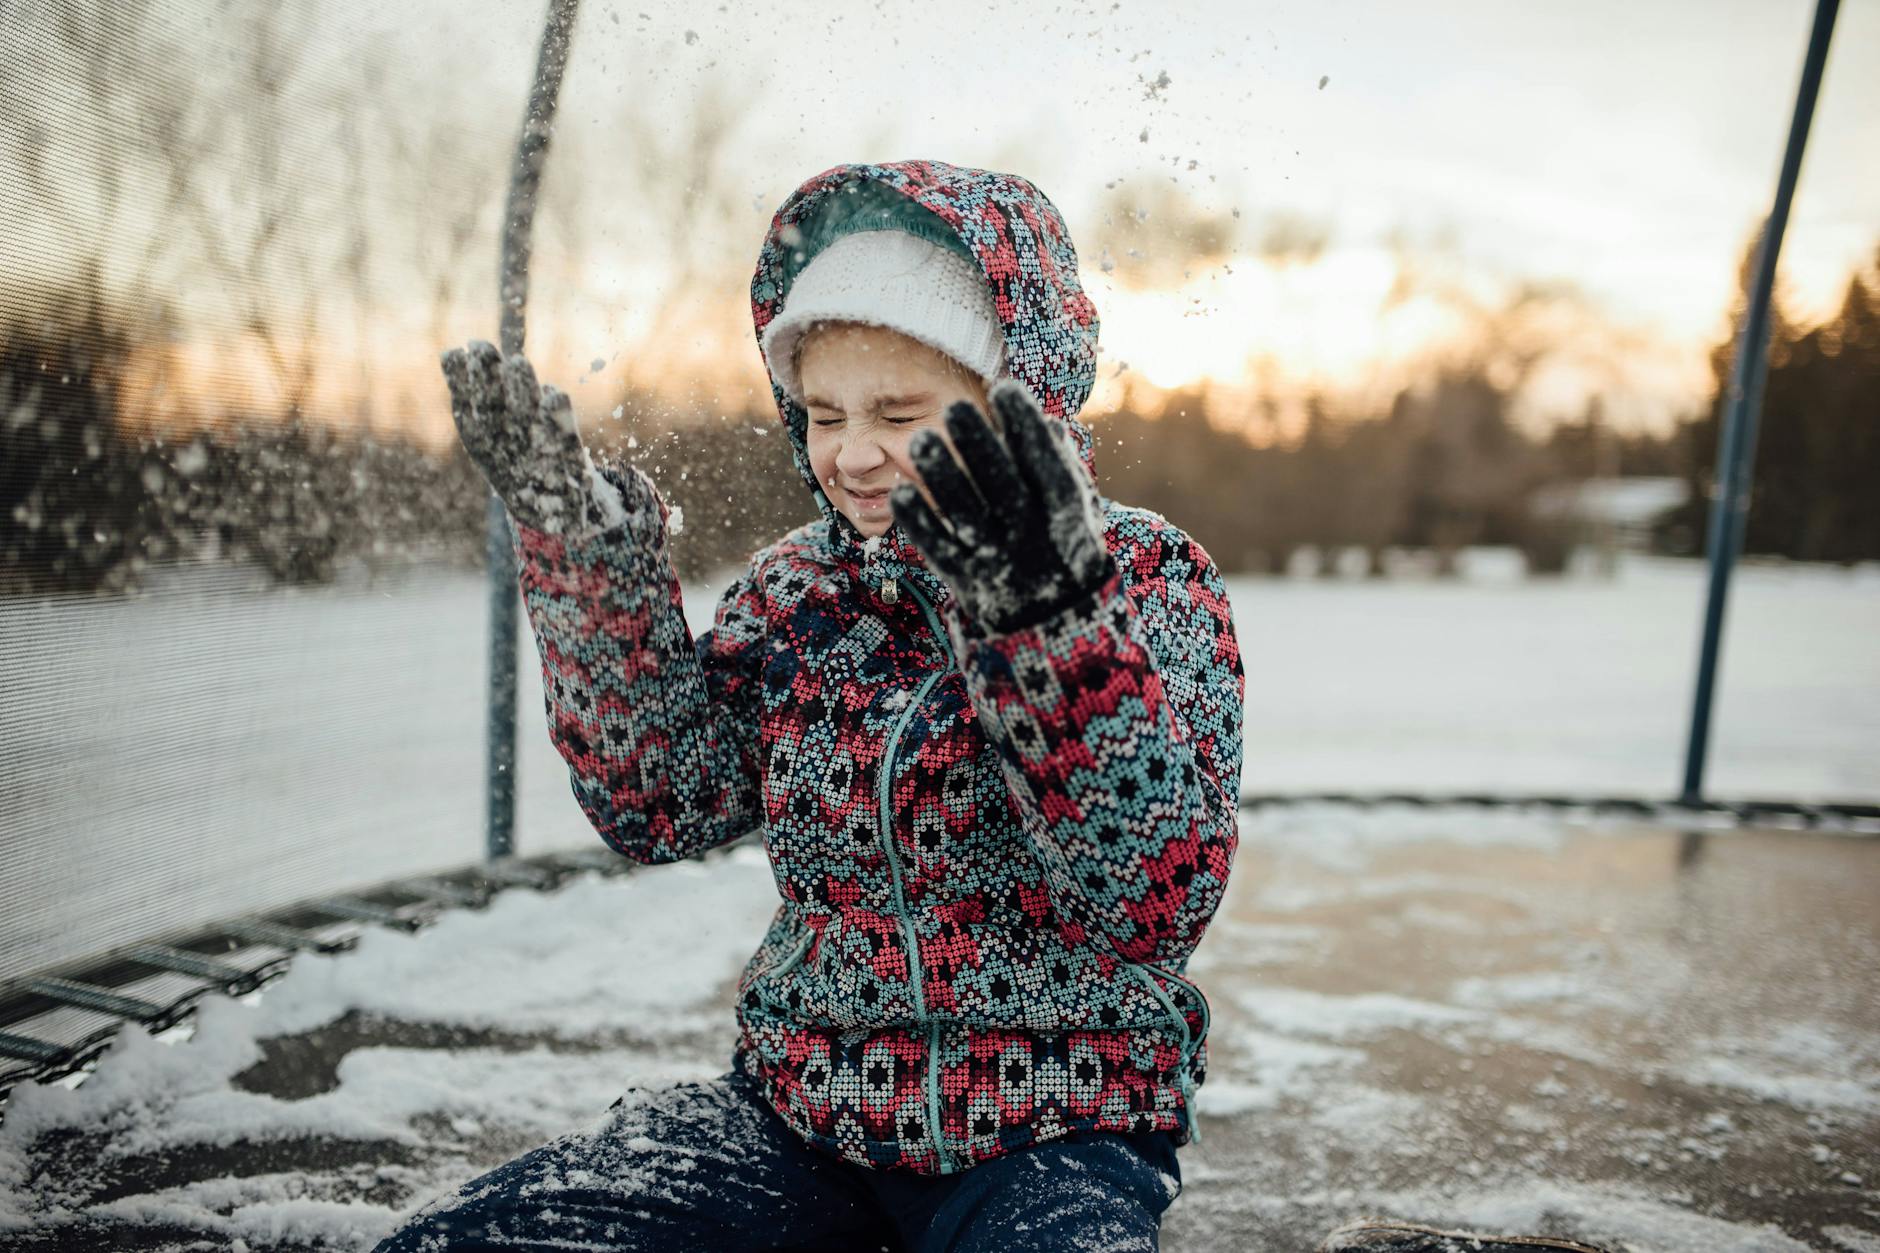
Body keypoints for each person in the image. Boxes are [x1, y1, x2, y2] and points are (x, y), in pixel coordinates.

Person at [383, 160, 1608, 1253]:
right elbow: (663, 805)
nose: (851, 453)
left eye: (899, 414)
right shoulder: (795, 593)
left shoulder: (1142, 582)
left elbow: (1151, 899)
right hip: (800, 1111)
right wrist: (588, 569)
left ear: (1017, 398)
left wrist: (1039, 616)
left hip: (1053, 1125)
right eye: (823, 414)